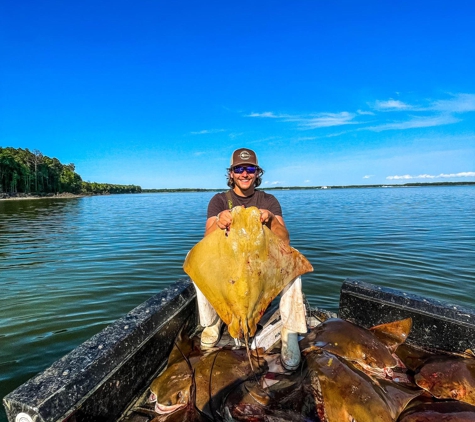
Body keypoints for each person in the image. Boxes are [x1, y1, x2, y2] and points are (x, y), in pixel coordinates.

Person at [195, 148, 307, 370]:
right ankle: (212, 324)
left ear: (257, 173)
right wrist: (218, 220)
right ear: (231, 174)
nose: (244, 174)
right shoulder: (219, 200)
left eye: (250, 169)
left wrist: (272, 219)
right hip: (230, 267)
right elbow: (205, 241)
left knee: (293, 267)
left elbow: (285, 240)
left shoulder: (268, 200)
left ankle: (290, 331)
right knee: (197, 262)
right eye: (239, 169)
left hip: (260, 266)